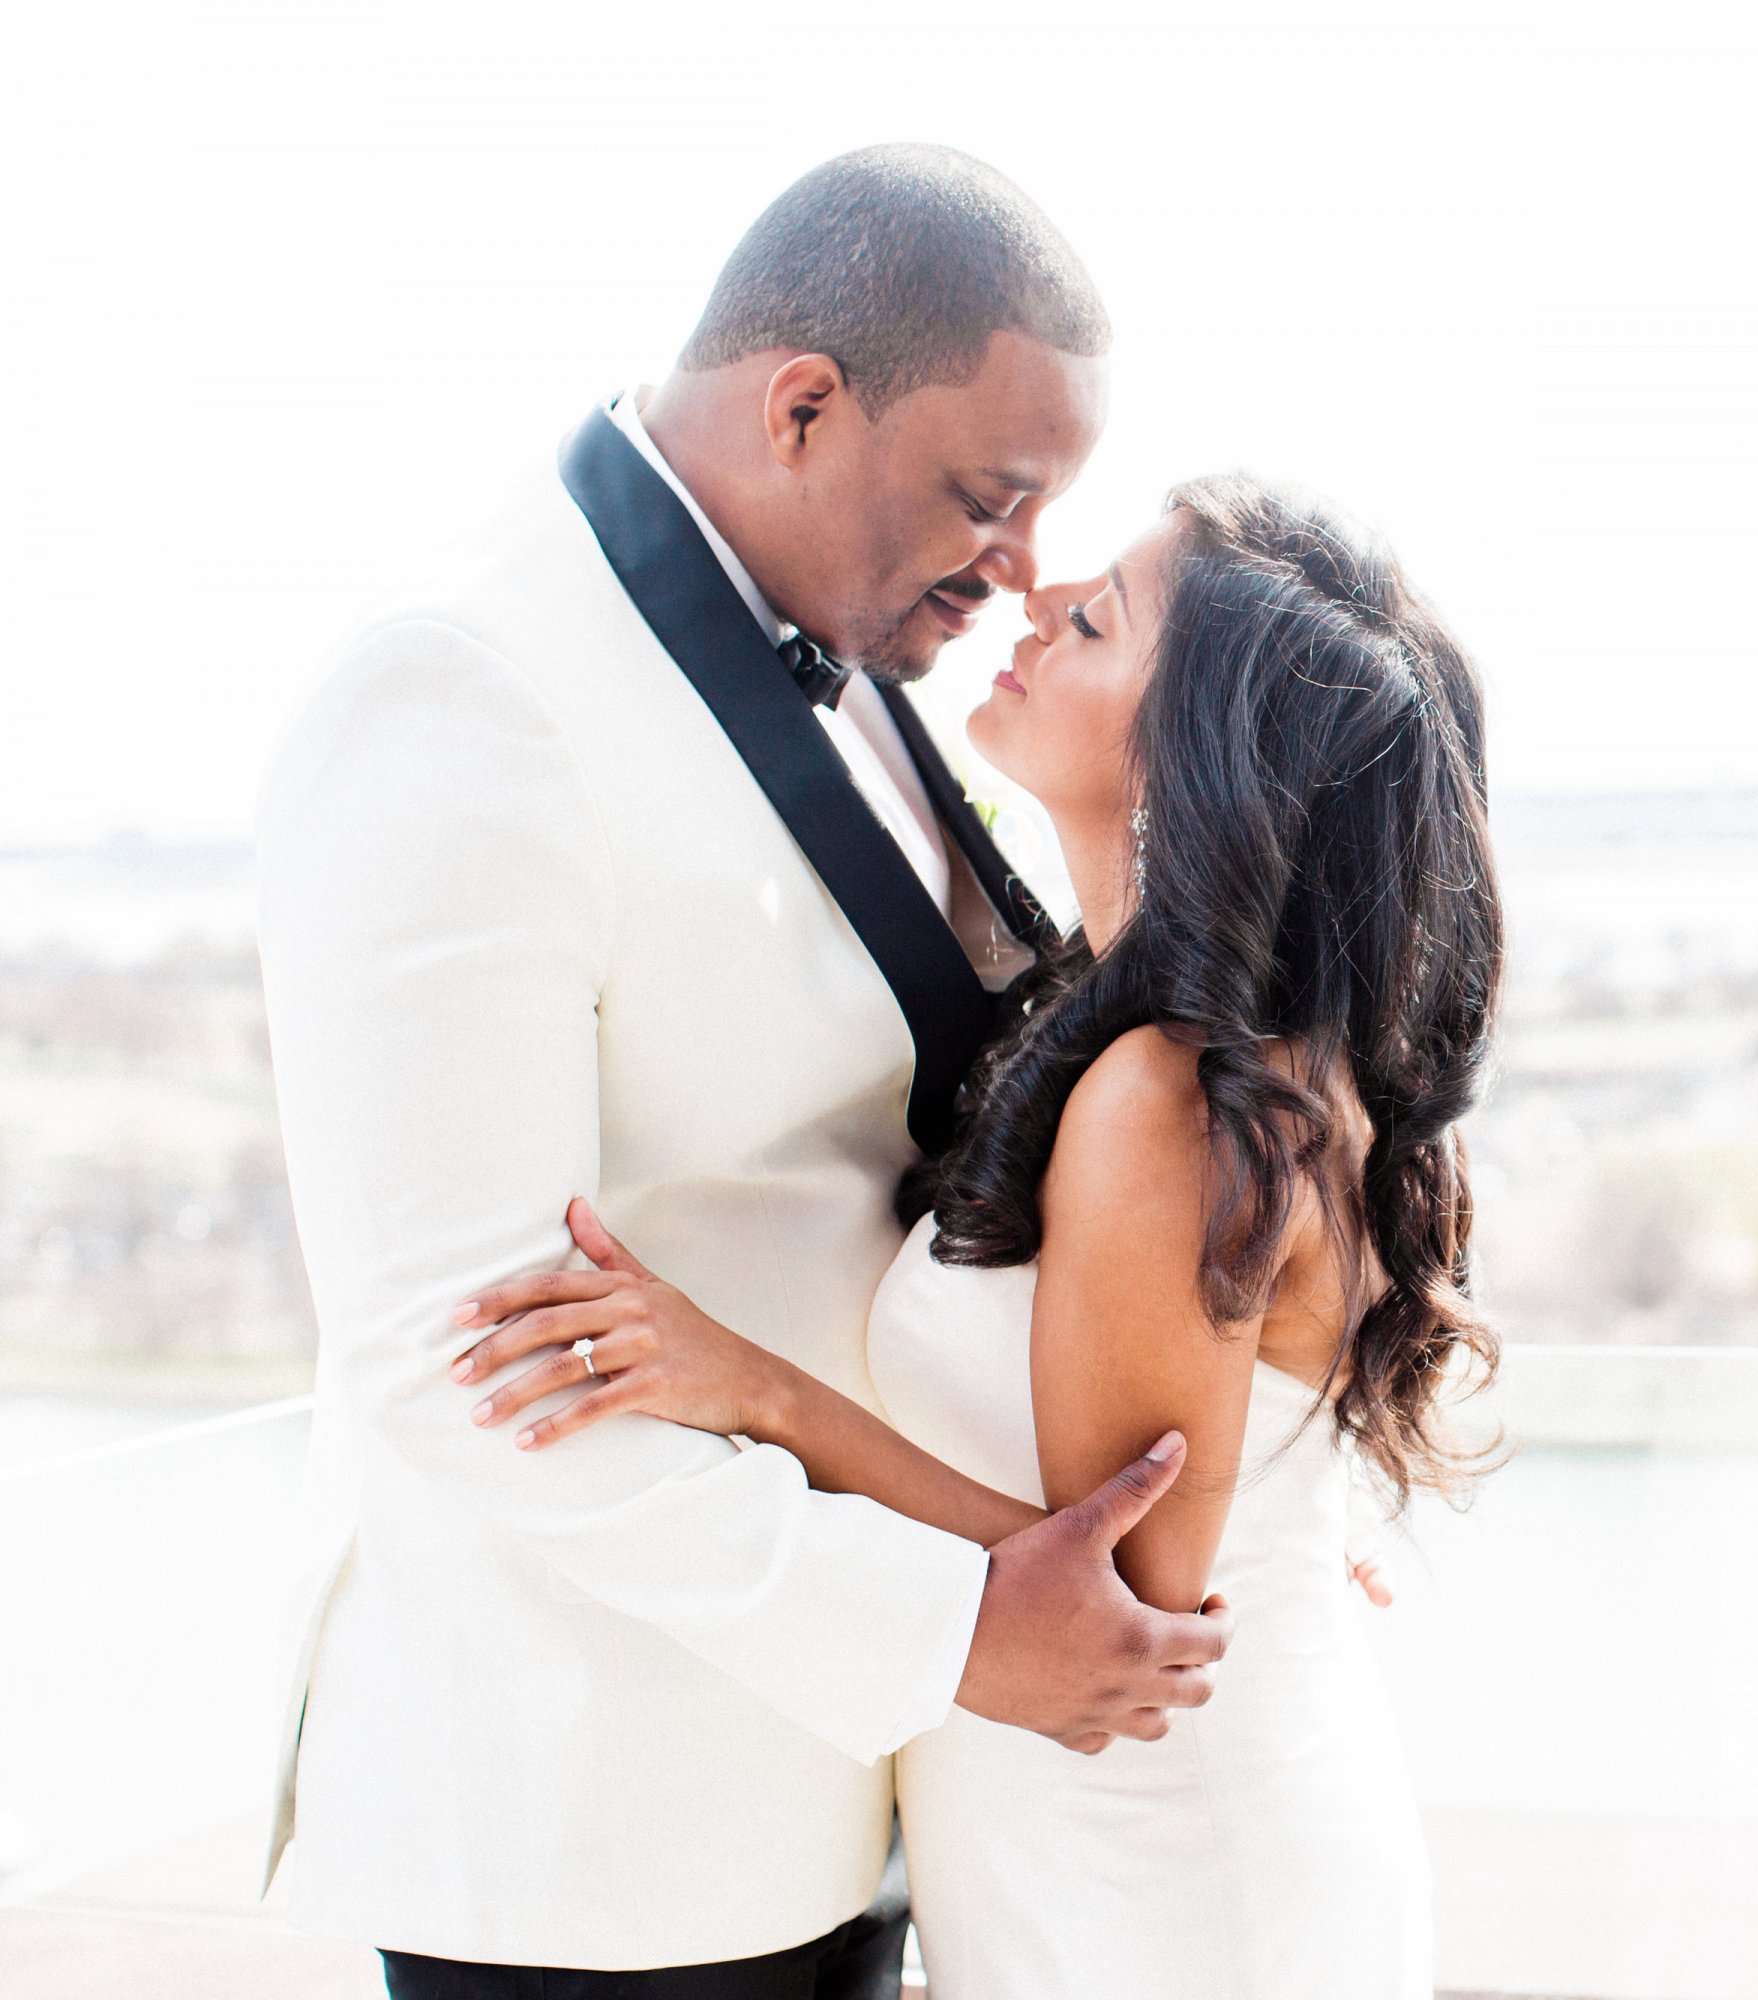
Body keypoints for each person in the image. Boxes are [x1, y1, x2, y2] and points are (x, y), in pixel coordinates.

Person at [256, 145, 1231, 1998]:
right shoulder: (461, 695)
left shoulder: (863, 646)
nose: (1025, 572)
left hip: (866, 1796)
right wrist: (951, 1631)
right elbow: (460, 1359)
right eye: (991, 497)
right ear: (801, 408)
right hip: (598, 1834)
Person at [447, 470, 1503, 1998]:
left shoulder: (1173, 1102)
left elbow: (1118, 1611)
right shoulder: (1138, 1043)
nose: (1042, 599)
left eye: (1104, 616)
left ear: (1193, 746)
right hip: (1091, 1842)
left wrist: (748, 1384)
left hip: (1169, 1874)